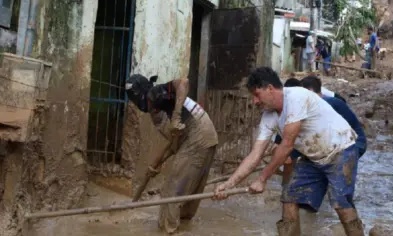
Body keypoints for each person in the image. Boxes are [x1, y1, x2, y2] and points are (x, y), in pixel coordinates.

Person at [213, 67, 364, 236]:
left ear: (270, 88)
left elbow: (287, 145)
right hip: (313, 157)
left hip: (341, 150)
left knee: (341, 204)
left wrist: (262, 179)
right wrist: (229, 184)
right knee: (289, 197)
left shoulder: (296, 97)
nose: (254, 101)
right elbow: (255, 155)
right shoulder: (269, 117)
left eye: (257, 95)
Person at [125, 74, 218, 234]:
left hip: (197, 133)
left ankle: (167, 231)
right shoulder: (161, 107)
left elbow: (183, 82)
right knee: (189, 188)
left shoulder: (154, 93)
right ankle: (184, 226)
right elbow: (175, 145)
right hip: (207, 135)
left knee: (171, 189)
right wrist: (156, 164)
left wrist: (175, 117)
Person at [300, 76, 367, 157]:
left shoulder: (329, 103)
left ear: (309, 91)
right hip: (343, 141)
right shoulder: (320, 102)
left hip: (355, 143)